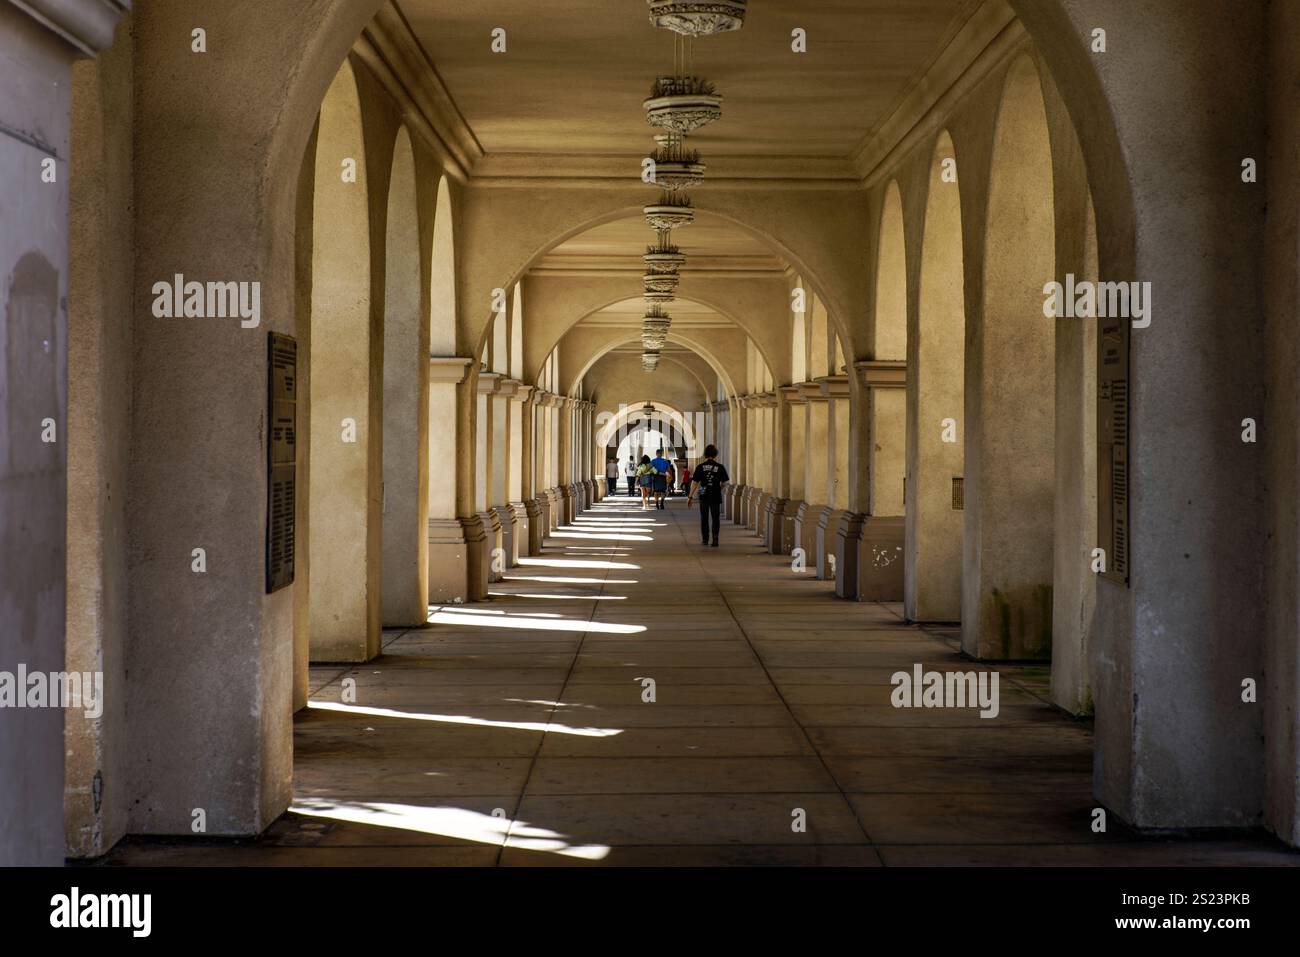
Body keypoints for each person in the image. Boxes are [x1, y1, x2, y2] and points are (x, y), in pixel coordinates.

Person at [687, 444, 729, 547]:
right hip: (715, 493)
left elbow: (695, 482)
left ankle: (705, 539)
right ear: (715, 454)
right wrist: (719, 488)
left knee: (704, 517)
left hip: (703, 493)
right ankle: (715, 539)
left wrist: (690, 496)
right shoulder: (720, 467)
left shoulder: (700, 467)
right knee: (715, 517)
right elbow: (724, 482)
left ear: (705, 454)